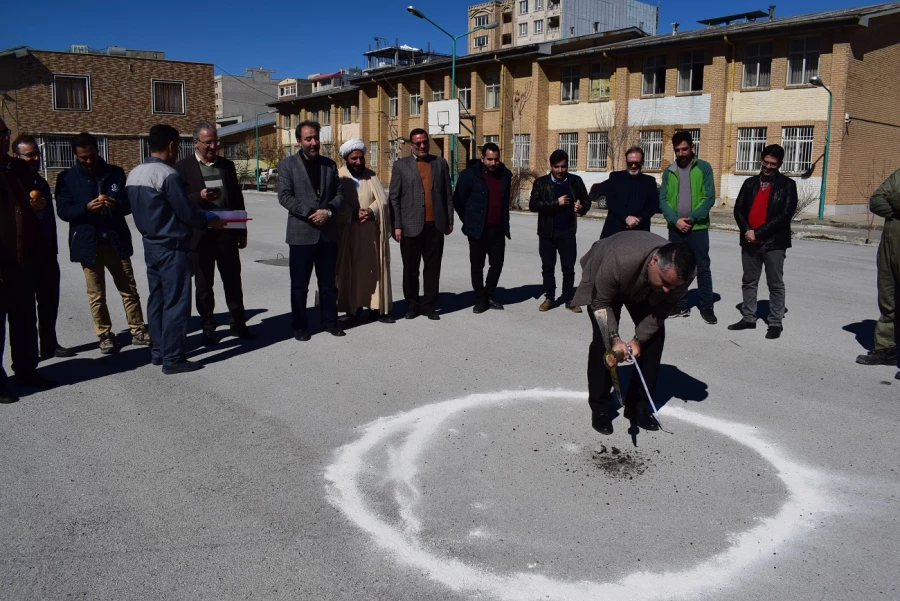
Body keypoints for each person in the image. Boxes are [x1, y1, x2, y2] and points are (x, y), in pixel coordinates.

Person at [571, 231, 696, 435]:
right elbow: (601, 304)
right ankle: (600, 407)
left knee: (654, 338)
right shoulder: (618, 259)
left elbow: (661, 310)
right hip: (608, 277)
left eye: (673, 286)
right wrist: (615, 338)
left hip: (641, 283)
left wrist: (638, 340)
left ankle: (638, 407)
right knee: (603, 342)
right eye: (664, 282)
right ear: (655, 261)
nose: (667, 290)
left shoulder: (683, 274)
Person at [126, 125, 225, 374]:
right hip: (172, 246)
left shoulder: (135, 174)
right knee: (176, 302)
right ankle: (173, 357)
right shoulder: (167, 175)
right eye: (177, 147)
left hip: (151, 245)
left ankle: (158, 351)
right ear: (171, 145)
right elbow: (185, 211)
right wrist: (208, 220)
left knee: (157, 300)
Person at [56, 132, 150, 355]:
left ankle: (138, 330)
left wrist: (115, 203)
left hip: (115, 240)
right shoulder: (67, 178)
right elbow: (63, 210)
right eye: (82, 158)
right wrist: (85, 208)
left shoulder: (115, 173)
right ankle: (104, 335)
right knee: (96, 294)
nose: (87, 161)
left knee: (128, 289)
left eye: (90, 155)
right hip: (88, 244)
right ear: (75, 156)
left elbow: (129, 205)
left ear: (98, 151)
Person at [174, 122, 253, 346]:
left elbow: (237, 198)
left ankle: (239, 325)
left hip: (227, 234)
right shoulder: (183, 168)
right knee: (203, 285)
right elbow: (179, 202)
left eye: (215, 141)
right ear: (195, 143)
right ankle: (208, 327)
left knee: (233, 282)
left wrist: (242, 230)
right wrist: (199, 196)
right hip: (200, 236)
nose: (213, 146)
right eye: (208, 142)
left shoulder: (226, 166)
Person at [0, 119, 58, 401]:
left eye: (5, 133)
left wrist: (41, 204)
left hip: (22, 259)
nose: (3, 139)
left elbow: (37, 194)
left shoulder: (15, 169)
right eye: (0, 134)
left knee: (23, 318)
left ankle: (26, 370)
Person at [277, 120, 345, 340]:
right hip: (301, 234)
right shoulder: (287, 165)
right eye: (309, 139)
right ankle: (300, 326)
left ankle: (330, 322)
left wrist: (328, 211)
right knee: (299, 285)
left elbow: (340, 194)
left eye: (316, 137)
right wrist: (310, 213)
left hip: (327, 233)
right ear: (299, 141)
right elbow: (285, 196)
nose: (314, 142)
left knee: (328, 284)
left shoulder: (329, 165)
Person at [12, 134, 74, 359]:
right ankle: (26, 355)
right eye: (29, 155)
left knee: (49, 302)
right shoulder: (14, 182)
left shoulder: (39, 182)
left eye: (36, 154)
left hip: (47, 252)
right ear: (16, 156)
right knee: (25, 309)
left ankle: (49, 343)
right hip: (25, 256)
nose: (34, 158)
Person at [729, 144, 798, 340]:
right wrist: (747, 232)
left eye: (773, 164)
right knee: (749, 281)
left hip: (774, 243)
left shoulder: (787, 185)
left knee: (775, 283)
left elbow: (785, 216)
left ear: (780, 164)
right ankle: (749, 318)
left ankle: (775, 322)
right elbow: (738, 210)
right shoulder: (750, 183)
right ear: (761, 160)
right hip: (749, 241)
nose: (768, 167)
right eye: (766, 162)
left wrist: (758, 233)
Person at [389, 128, 454, 320]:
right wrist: (397, 225)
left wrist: (449, 220)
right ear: (411, 145)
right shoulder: (401, 166)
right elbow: (394, 197)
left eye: (425, 142)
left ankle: (429, 305)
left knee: (432, 267)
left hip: (435, 225)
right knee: (410, 268)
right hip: (410, 226)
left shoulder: (440, 163)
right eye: (418, 143)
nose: (422, 146)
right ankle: (412, 304)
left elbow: (447, 195)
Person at [659, 130, 717, 324]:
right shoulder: (669, 171)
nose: (681, 153)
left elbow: (708, 198)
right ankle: (680, 304)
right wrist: (675, 220)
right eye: (678, 150)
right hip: (675, 228)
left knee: (702, 267)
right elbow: (663, 199)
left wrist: (691, 219)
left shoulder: (704, 168)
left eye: (685, 149)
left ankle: (707, 307)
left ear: (692, 147)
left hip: (698, 228)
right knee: (677, 268)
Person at [335, 138, 393, 324]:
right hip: (347, 234)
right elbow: (334, 203)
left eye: (361, 158)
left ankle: (377, 310)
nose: (358, 162)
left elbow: (383, 201)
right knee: (350, 272)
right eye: (354, 159)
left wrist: (371, 211)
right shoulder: (339, 177)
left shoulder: (371, 176)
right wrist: (351, 214)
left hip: (370, 234)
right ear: (346, 158)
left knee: (375, 271)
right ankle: (352, 310)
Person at [528, 149, 591, 313]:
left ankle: (569, 298)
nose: (560, 170)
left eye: (563, 167)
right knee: (548, 267)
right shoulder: (541, 183)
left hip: (567, 231)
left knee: (568, 267)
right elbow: (533, 205)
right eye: (557, 167)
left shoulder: (575, 181)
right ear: (551, 166)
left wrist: (582, 207)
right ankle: (549, 297)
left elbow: (586, 199)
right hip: (547, 232)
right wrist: (556, 202)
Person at [453, 142, 512, 313]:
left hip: (498, 229)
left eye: (496, 160)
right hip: (477, 230)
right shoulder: (470, 175)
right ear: (482, 158)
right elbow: (459, 201)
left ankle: (489, 294)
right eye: (490, 159)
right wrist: (469, 220)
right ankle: (481, 299)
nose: (493, 163)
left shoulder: (504, 175)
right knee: (477, 266)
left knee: (497, 263)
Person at [858, 167, 900, 380]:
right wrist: (894, 211)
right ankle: (886, 349)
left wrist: (895, 202)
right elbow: (876, 200)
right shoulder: (898, 175)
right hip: (889, 249)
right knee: (888, 299)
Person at [600, 146, 659, 240]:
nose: (633, 166)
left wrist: (639, 219)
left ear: (642, 162)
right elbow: (611, 201)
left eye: (637, 163)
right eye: (630, 163)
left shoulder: (649, 181)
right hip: (615, 230)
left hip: (640, 230)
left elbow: (653, 205)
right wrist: (626, 217)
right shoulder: (615, 177)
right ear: (626, 162)